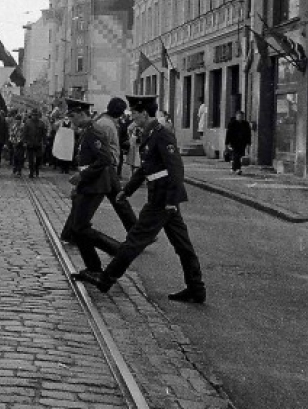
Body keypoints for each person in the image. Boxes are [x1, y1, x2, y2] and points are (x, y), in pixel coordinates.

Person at [74, 95, 206, 304]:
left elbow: (176, 169)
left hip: (162, 200)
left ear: (144, 113)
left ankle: (106, 279)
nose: (132, 116)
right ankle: (196, 289)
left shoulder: (162, 134)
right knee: (183, 245)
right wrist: (127, 191)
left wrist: (171, 200)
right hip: (161, 197)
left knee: (134, 241)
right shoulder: (149, 133)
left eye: (135, 113)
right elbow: (146, 168)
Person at [62, 99, 123, 275]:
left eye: (73, 116)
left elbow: (105, 159)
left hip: (95, 185)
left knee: (79, 227)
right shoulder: (87, 131)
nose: (71, 120)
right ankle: (94, 266)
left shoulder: (94, 131)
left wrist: (82, 176)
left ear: (82, 113)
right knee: (78, 227)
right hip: (88, 184)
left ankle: (115, 251)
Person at [90, 97, 138, 234]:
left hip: (107, 165)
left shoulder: (107, 121)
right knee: (119, 199)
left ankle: (71, 230)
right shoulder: (106, 124)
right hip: (106, 166)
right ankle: (135, 231)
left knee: (92, 200)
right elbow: (102, 147)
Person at [225, 110, 252, 175]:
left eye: (242, 116)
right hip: (234, 142)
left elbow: (248, 133)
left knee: (239, 155)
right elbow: (228, 133)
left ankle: (233, 168)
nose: (240, 117)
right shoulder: (232, 123)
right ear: (236, 116)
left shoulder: (245, 124)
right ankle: (238, 168)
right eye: (239, 116)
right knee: (236, 155)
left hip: (242, 142)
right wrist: (227, 142)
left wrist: (249, 142)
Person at [22, 110, 47, 178]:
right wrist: (24, 141)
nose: (35, 116)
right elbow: (24, 133)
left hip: (38, 144)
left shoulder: (41, 123)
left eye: (36, 115)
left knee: (39, 158)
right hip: (30, 143)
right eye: (34, 115)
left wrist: (44, 142)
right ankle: (31, 172)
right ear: (31, 115)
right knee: (30, 159)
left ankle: (36, 169)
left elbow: (44, 134)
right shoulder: (27, 123)